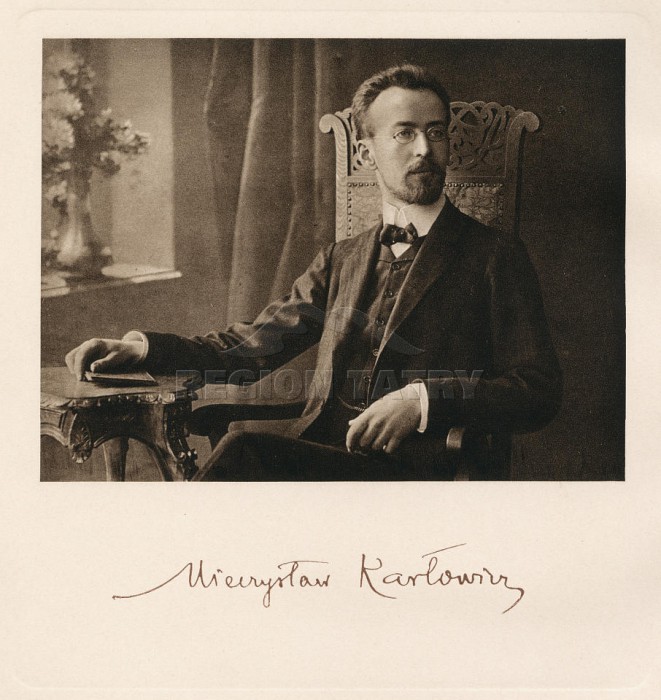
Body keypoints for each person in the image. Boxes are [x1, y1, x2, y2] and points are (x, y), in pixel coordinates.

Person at [66, 64, 562, 481]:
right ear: (366, 153)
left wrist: (424, 400)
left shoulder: (494, 255)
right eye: (404, 133)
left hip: (415, 475)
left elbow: (537, 389)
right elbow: (248, 348)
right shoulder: (342, 258)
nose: (424, 150)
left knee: (243, 455)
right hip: (325, 460)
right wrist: (144, 349)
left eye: (435, 132)